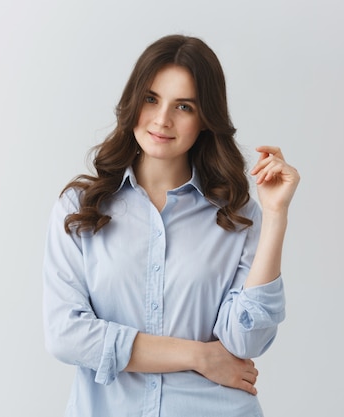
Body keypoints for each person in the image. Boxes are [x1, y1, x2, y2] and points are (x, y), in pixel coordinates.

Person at [42, 34, 300, 417]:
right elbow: (66, 335)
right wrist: (199, 356)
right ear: (133, 102)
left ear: (205, 119)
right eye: (151, 99)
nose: (162, 119)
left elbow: (246, 339)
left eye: (184, 106)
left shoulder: (235, 213)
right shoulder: (81, 208)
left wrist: (276, 216)